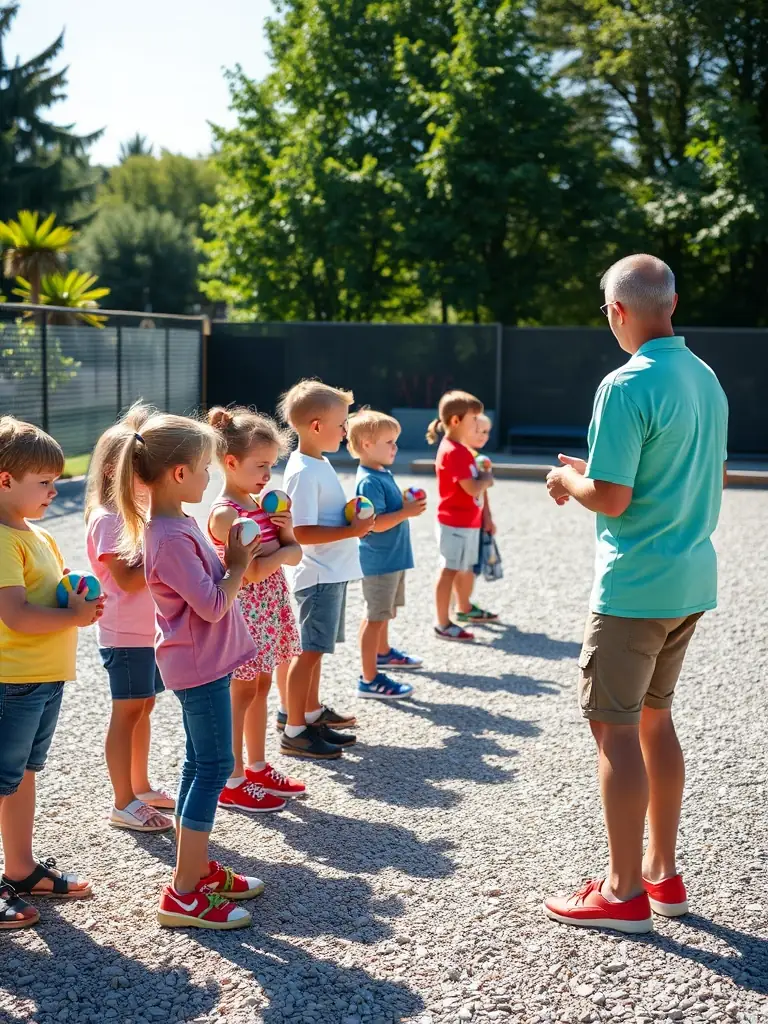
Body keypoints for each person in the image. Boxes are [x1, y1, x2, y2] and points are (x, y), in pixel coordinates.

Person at [543, 254, 728, 934]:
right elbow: (706, 471)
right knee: (656, 719)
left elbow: (614, 498)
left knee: (615, 729)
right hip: (690, 580)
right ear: (671, 303)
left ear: (618, 311)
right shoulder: (705, 379)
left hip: (635, 586)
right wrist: (600, 477)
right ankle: (662, 875)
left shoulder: (625, 385)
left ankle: (621, 893)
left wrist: (570, 484)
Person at [115, 413, 264, 930]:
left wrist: (229, 560)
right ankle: (182, 892)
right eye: (203, 467)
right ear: (178, 474)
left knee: (197, 762)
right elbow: (211, 606)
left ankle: (195, 869)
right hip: (199, 667)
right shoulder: (172, 536)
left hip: (202, 663)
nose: (208, 477)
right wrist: (240, 562)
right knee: (214, 766)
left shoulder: (176, 525)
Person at [0, 417, 104, 930]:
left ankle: (19, 871)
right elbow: (15, 615)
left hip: (42, 680)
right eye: (44, 481)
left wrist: (77, 596)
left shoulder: (36, 533)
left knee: (20, 778)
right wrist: (73, 617)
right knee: (1, 780)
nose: (55, 489)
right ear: (4, 480)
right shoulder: (2, 539)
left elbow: (51, 589)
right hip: (11, 681)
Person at [207, 406, 305, 812]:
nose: (268, 475)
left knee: (261, 686)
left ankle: (257, 765)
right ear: (231, 462)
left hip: (268, 605)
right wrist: (283, 547)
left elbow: (294, 553)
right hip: (245, 610)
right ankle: (231, 778)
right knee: (242, 690)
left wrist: (283, 534)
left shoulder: (259, 505)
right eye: (261, 465)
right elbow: (253, 570)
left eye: (271, 466)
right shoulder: (227, 513)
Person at [85, 404, 174, 833]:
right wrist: (169, 555)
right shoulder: (108, 520)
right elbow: (127, 579)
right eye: (146, 472)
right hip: (125, 637)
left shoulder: (141, 516)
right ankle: (123, 801)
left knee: (145, 707)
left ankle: (139, 786)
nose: (155, 479)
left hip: (149, 634)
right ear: (114, 474)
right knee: (127, 712)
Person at [277, 379, 373, 759]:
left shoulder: (319, 461)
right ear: (316, 426)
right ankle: (295, 729)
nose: (345, 430)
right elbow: (300, 530)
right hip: (316, 575)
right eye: (341, 423)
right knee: (309, 652)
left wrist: (350, 515)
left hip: (330, 572)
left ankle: (310, 713)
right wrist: (350, 529)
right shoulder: (303, 470)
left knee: (316, 650)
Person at [347, 409, 426, 698]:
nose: (395, 447)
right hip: (379, 561)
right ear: (367, 445)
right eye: (389, 442)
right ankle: (369, 679)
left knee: (383, 613)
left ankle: (382, 653)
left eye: (395, 441)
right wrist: (406, 511)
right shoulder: (369, 479)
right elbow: (374, 523)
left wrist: (402, 502)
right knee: (375, 616)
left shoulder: (380, 472)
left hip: (391, 558)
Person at [427, 391, 494, 642]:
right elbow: (472, 487)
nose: (478, 423)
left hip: (465, 523)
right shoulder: (453, 451)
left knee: (458, 569)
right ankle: (442, 623)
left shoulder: (461, 449)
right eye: (473, 418)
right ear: (456, 421)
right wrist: (486, 479)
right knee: (448, 570)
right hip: (454, 523)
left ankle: (457, 612)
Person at [452, 412, 499, 624]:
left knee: (470, 566)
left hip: (474, 518)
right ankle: (462, 606)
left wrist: (487, 517)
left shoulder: (479, 459)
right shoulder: (463, 456)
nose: (482, 436)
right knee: (465, 567)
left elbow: (483, 493)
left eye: (486, 432)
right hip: (460, 520)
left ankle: (464, 603)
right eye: (477, 430)